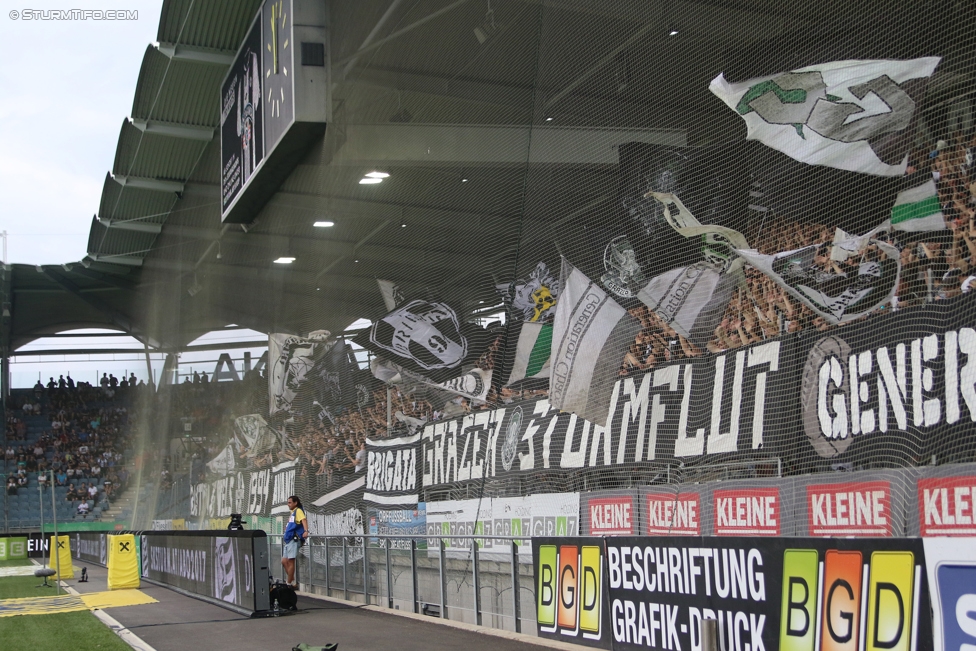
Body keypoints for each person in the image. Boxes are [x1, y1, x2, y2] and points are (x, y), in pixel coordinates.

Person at [281, 495, 309, 588]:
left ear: (295, 503)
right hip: (288, 540)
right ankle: (291, 578)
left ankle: (289, 584)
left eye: (290, 502)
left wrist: (305, 531)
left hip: (294, 539)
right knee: (284, 561)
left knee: (290, 561)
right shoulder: (292, 512)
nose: (288, 504)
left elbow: (303, 520)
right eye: (288, 502)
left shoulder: (298, 511)